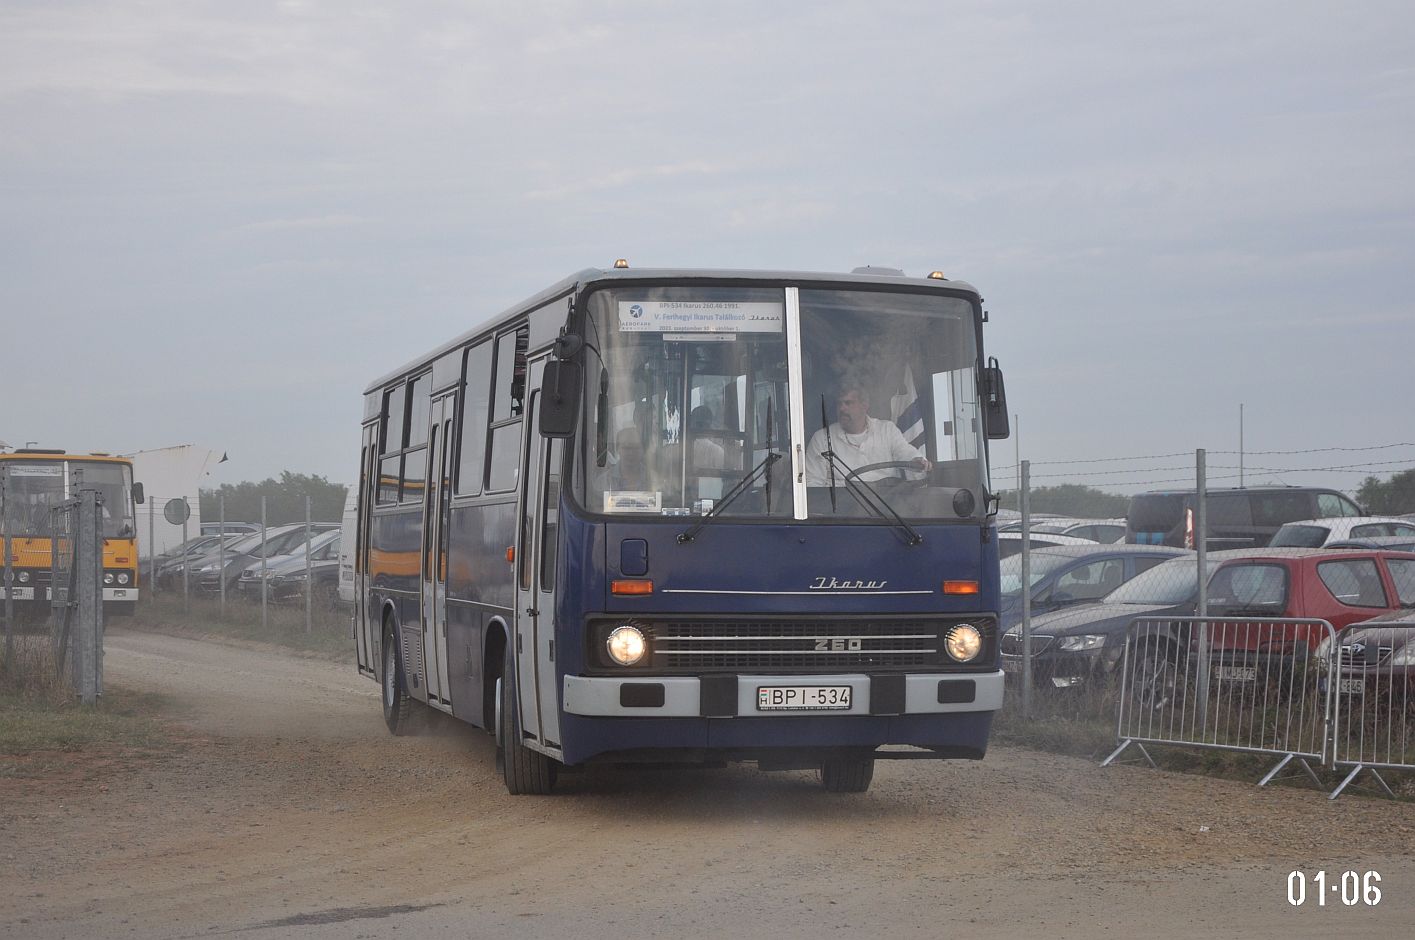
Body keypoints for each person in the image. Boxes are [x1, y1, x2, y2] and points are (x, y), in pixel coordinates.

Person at [803, 386, 931, 486]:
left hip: (887, 504)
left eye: (848, 403)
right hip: (842, 511)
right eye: (839, 404)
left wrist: (917, 461)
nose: (842, 408)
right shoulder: (822, 439)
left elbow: (905, 452)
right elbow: (812, 483)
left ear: (864, 406)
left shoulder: (887, 429)